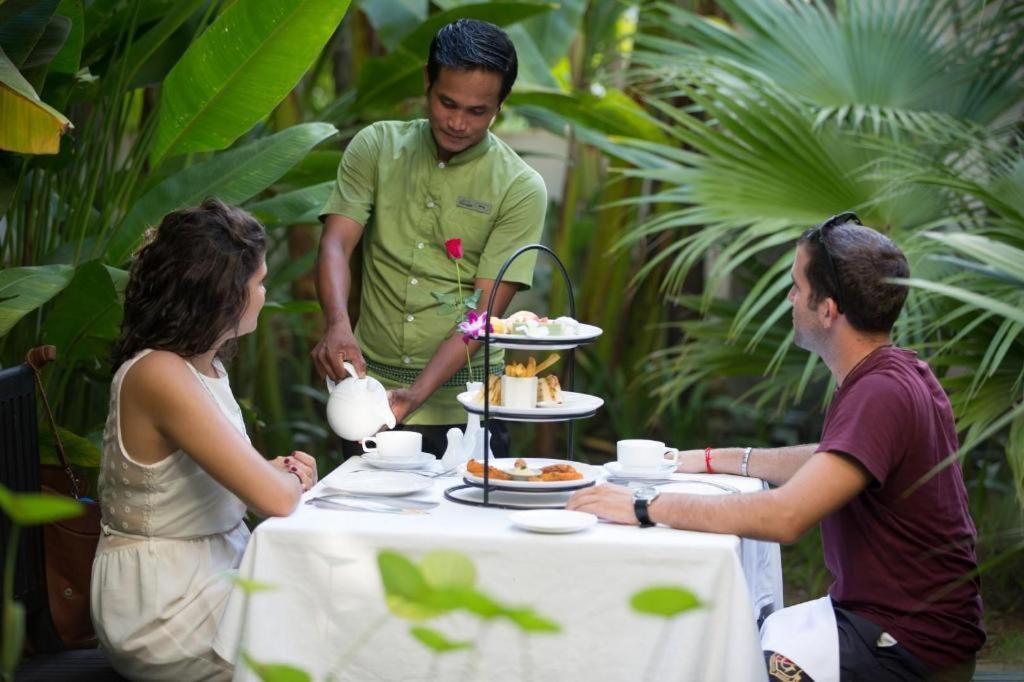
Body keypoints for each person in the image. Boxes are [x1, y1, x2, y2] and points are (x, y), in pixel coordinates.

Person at [569, 214, 984, 681]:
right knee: (721, 640)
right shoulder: (896, 372)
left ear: (827, 309)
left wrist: (644, 506)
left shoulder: (879, 392)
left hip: (903, 645)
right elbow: (831, 459)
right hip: (901, 625)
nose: (790, 297)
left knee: (706, 663)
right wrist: (713, 459)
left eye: (795, 285)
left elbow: (785, 517)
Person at [91, 199, 318, 681]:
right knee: (335, 626)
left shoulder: (203, 365)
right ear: (224, 294)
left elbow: (241, 486)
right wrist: (287, 483)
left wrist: (280, 476)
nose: (264, 292)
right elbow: (274, 500)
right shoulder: (160, 373)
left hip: (211, 571)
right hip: (165, 604)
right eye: (258, 283)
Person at [313, 18, 547, 457]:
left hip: (470, 407)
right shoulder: (375, 147)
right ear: (427, 81)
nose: (458, 122)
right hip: (368, 402)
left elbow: (484, 313)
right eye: (447, 102)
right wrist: (337, 325)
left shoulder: (520, 187)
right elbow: (335, 243)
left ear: (502, 103)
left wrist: (416, 394)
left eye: (478, 111)